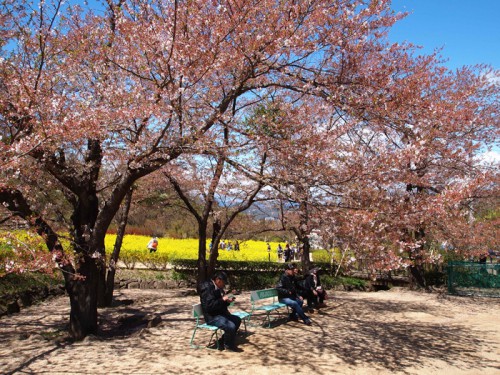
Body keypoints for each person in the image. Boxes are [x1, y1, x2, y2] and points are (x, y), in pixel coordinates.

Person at [199, 271, 243, 352]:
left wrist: (227, 302)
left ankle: (223, 341)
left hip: (219, 314)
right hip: (211, 317)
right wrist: (223, 299)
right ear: (218, 280)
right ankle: (229, 346)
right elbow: (209, 307)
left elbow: (219, 303)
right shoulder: (207, 288)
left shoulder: (216, 287)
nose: (224, 285)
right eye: (223, 283)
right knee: (230, 326)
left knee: (237, 320)